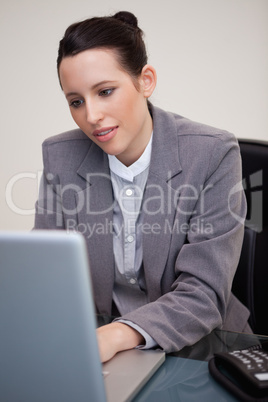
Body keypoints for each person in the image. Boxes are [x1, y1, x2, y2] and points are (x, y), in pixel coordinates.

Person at [34, 11, 251, 363]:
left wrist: (116, 334)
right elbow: (47, 276)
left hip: (203, 351)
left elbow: (203, 294)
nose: (91, 116)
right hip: (107, 352)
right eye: (76, 101)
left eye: (105, 91)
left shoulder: (212, 152)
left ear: (145, 81)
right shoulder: (60, 156)